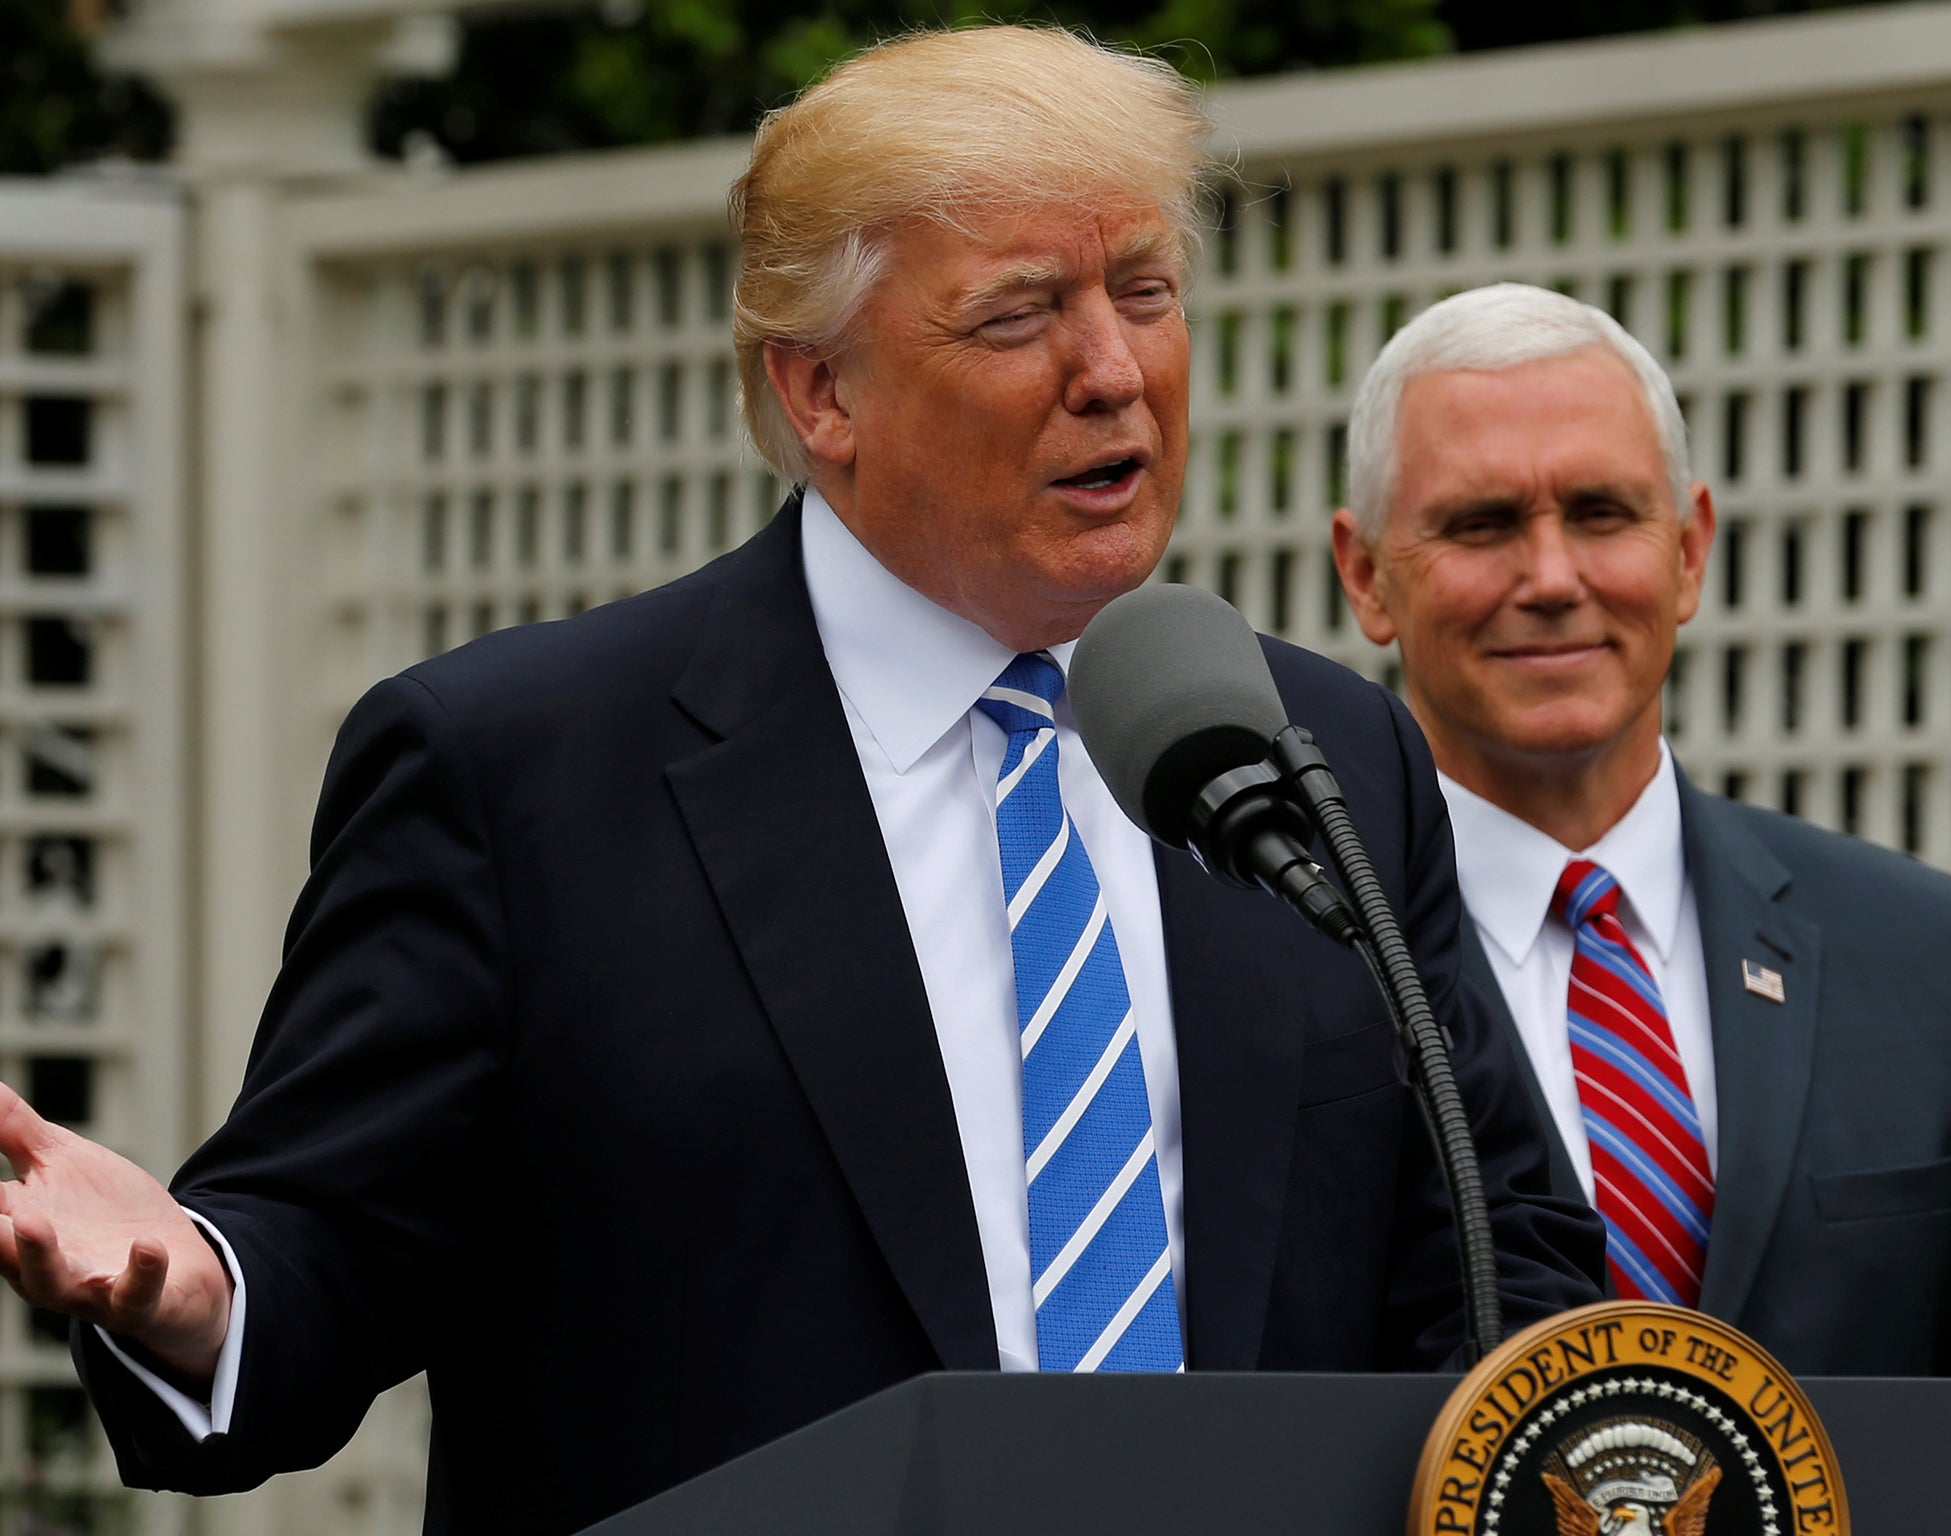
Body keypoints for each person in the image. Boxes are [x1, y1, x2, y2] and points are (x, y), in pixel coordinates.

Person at [0, 32, 1601, 1536]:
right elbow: (332, 1248)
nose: (1113, 369)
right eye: (1020, 312)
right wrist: (198, 1287)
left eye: (1146, 289)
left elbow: (1497, 1247)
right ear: (818, 394)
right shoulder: (522, 775)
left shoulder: (1311, 754)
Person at [1331, 281, 1951, 1377]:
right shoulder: (1291, 975)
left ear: (1689, 550)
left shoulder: (1938, 963)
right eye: (1479, 526)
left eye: (1600, 513)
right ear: (1364, 575)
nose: (1551, 578)